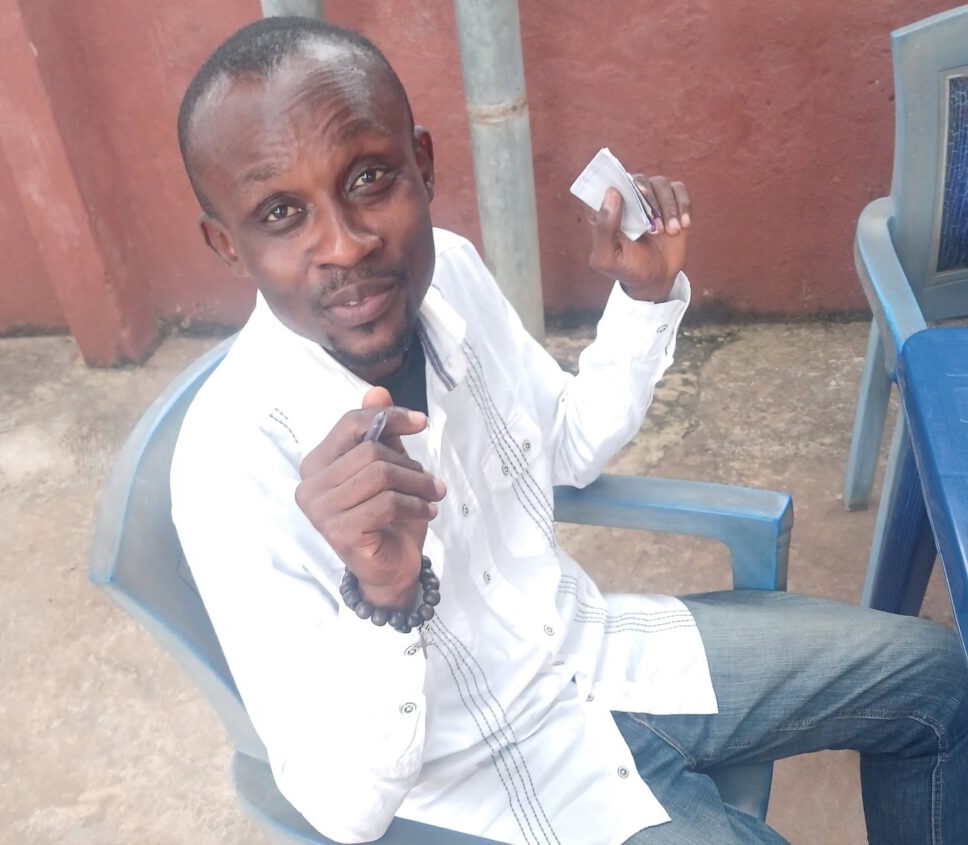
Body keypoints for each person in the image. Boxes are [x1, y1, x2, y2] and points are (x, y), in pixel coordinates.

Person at [169, 16, 968, 845]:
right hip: (495, 777)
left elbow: (567, 445)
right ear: (229, 247)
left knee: (938, 682)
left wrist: (645, 300)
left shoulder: (453, 280)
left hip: (601, 651)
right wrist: (385, 596)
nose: (346, 242)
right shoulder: (230, 466)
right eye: (280, 213)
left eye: (370, 177)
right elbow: (341, 810)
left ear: (425, 164)